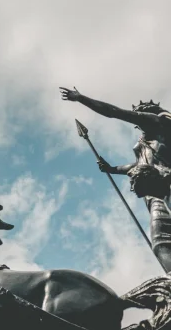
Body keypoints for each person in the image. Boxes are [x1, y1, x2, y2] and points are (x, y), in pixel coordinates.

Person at [60, 86, 171, 272]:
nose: (137, 118)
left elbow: (113, 112)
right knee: (160, 243)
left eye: (139, 113)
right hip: (153, 196)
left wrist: (81, 98)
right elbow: (137, 166)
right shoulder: (143, 143)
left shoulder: (158, 124)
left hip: (166, 183)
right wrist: (112, 169)